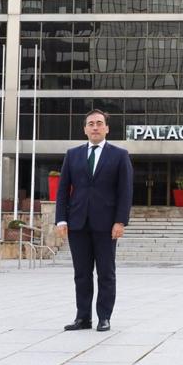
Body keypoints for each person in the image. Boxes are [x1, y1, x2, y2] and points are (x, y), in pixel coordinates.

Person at [55, 109, 133, 332]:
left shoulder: (119, 155)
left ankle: (104, 317)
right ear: (85, 129)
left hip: (106, 224)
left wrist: (120, 221)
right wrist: (61, 219)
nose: (95, 127)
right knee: (81, 273)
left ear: (107, 128)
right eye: (91, 124)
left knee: (106, 273)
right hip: (78, 223)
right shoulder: (73, 155)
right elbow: (62, 191)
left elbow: (125, 192)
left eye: (99, 123)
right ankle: (83, 317)